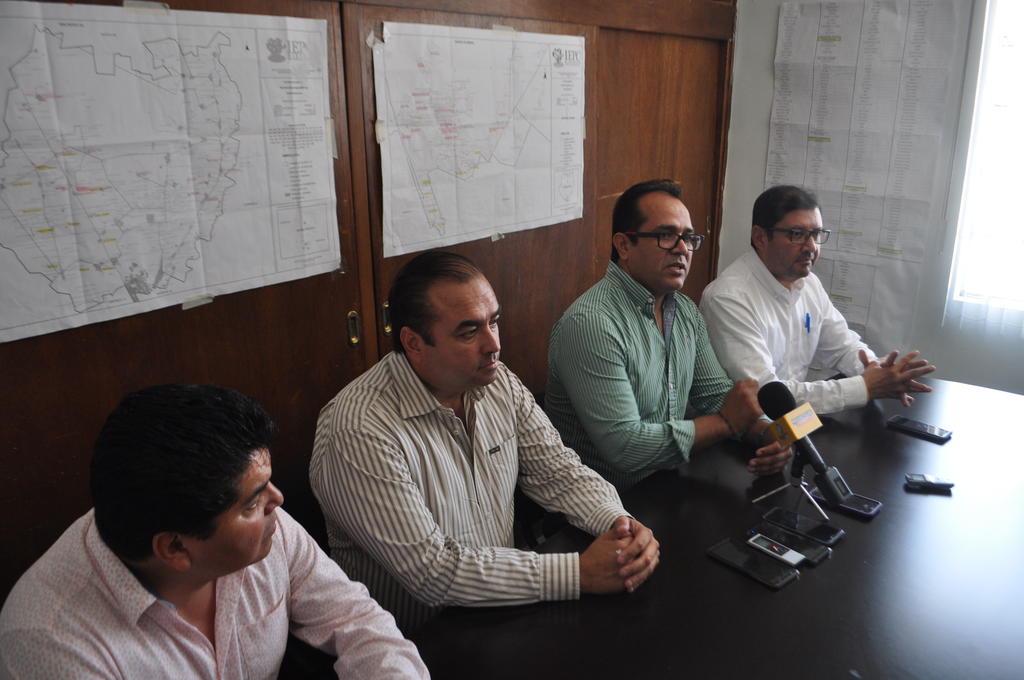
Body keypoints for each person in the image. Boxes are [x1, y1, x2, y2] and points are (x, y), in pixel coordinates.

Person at [310, 251, 660, 632]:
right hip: (417, 642)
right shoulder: (358, 429)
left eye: (494, 321)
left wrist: (619, 523)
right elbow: (432, 571)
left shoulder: (496, 381)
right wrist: (578, 573)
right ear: (413, 343)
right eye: (468, 332)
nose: (493, 344)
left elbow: (559, 472)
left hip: (506, 612)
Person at [0, 384, 428, 680]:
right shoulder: (54, 645)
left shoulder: (267, 529)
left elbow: (358, 622)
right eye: (252, 502)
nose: (277, 499)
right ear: (175, 547)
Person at [545, 179, 792, 491]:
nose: (682, 249)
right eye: (665, 236)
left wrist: (768, 435)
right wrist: (726, 423)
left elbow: (716, 396)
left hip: (667, 484)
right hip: (604, 501)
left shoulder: (685, 311)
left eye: (688, 238)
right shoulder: (591, 324)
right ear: (624, 246)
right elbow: (626, 449)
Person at [700, 185, 936, 414]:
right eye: (797, 235)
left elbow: (842, 346)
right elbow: (766, 394)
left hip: (796, 421)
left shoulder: (809, 283)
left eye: (816, 234)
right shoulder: (728, 298)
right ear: (760, 237)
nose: (811, 247)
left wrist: (876, 370)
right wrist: (864, 387)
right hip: (749, 428)